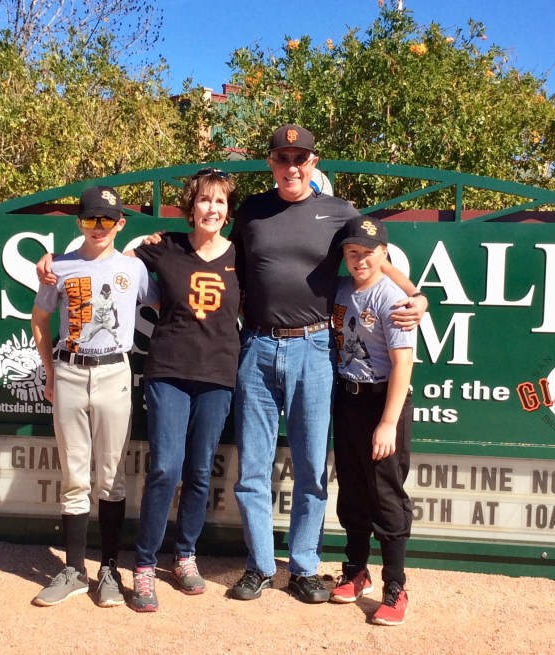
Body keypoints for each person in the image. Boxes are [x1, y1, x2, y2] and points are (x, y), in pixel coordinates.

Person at [227, 124, 427, 604]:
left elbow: (373, 254)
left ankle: (303, 568)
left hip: (314, 348)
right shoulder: (252, 210)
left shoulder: (339, 213)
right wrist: (144, 247)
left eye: (300, 158)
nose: (291, 167)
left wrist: (415, 294)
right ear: (270, 163)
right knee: (253, 467)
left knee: (312, 469)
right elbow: (218, 260)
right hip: (255, 346)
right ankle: (258, 566)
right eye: (281, 158)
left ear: (314, 163)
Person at [30, 185, 158, 608]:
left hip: (114, 373)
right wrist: (49, 373)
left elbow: (164, 301)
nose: (99, 227)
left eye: (107, 220)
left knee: (111, 479)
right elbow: (40, 319)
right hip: (69, 370)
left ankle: (107, 568)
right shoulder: (59, 268)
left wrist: (159, 247)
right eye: (90, 219)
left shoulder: (133, 269)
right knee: (74, 478)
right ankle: (72, 569)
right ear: (79, 222)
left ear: (121, 224)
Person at [127, 168, 241, 612]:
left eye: (220, 203)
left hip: (217, 375)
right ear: (191, 205)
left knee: (198, 472)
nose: (211, 209)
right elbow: (121, 263)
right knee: (165, 470)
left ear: (227, 212)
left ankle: (185, 556)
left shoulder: (240, 257)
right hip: (168, 371)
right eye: (204, 201)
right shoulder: (166, 247)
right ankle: (143, 564)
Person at [328, 216, 414, 626]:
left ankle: (395, 588)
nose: (360, 260)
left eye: (369, 252)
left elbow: (402, 363)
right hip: (348, 397)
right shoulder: (342, 288)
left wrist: (388, 423)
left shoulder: (393, 298)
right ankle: (356, 570)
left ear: (384, 253)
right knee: (353, 490)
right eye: (352, 252)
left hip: (383, 402)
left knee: (386, 496)